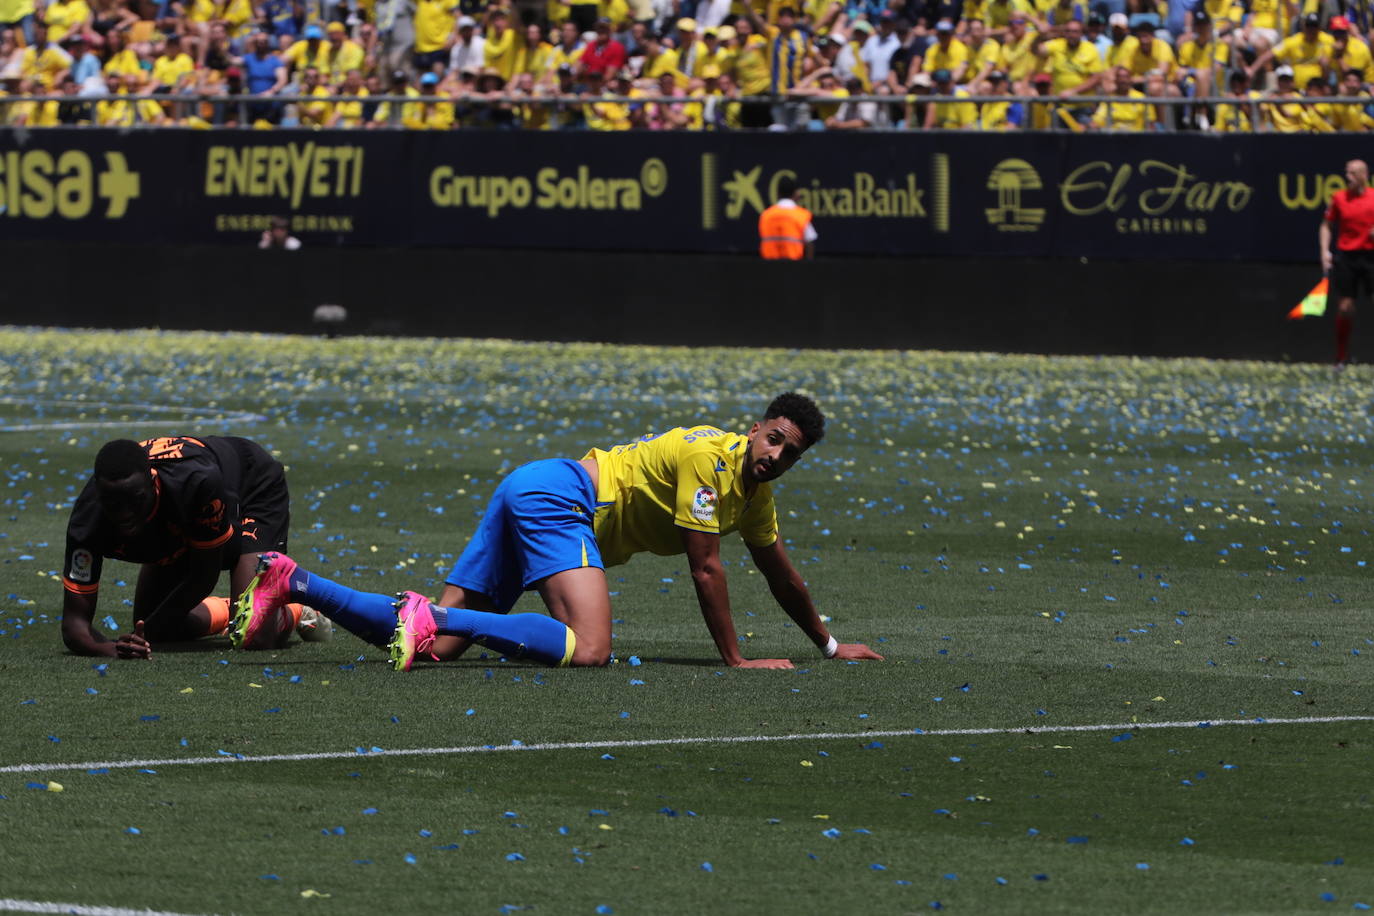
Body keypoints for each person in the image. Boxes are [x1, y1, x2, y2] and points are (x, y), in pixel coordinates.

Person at [235, 394, 883, 671]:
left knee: (434, 648)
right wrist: (736, 662)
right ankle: (423, 613)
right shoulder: (711, 459)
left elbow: (780, 573)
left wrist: (828, 646)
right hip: (557, 500)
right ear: (756, 427)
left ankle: (296, 583)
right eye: (774, 440)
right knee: (592, 648)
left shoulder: (756, 492)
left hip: (538, 496)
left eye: (789, 453)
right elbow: (706, 566)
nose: (775, 456)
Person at [60, 436, 300, 660]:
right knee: (160, 628)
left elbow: (204, 573)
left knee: (255, 635)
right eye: (113, 504)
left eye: (135, 500)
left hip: (251, 484)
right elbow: (74, 625)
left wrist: (150, 632)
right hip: (184, 518)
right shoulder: (87, 520)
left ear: (153, 483)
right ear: (100, 496)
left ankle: (295, 610)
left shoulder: (197, 483)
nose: (125, 514)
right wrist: (114, 649)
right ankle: (231, 609)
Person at [1319, 159, 1374, 366]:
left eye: (1352, 173)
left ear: (1363, 175)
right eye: (1347, 173)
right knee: (1345, 307)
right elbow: (1326, 225)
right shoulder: (1339, 198)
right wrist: (1325, 251)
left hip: (1371, 257)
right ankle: (1341, 358)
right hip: (1347, 258)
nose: (1347, 177)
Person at [759, 179, 815, 259]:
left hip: (769, 267)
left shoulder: (766, 215)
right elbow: (810, 242)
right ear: (796, 194)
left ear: (777, 194)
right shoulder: (801, 215)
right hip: (793, 267)